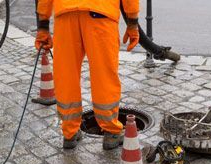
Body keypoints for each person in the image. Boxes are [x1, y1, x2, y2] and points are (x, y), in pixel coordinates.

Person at [35, 0, 140, 150]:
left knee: (66, 74)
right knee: (104, 74)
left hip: (66, 14)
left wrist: (43, 26)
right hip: (100, 12)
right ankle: (111, 131)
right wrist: (132, 22)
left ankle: (69, 132)